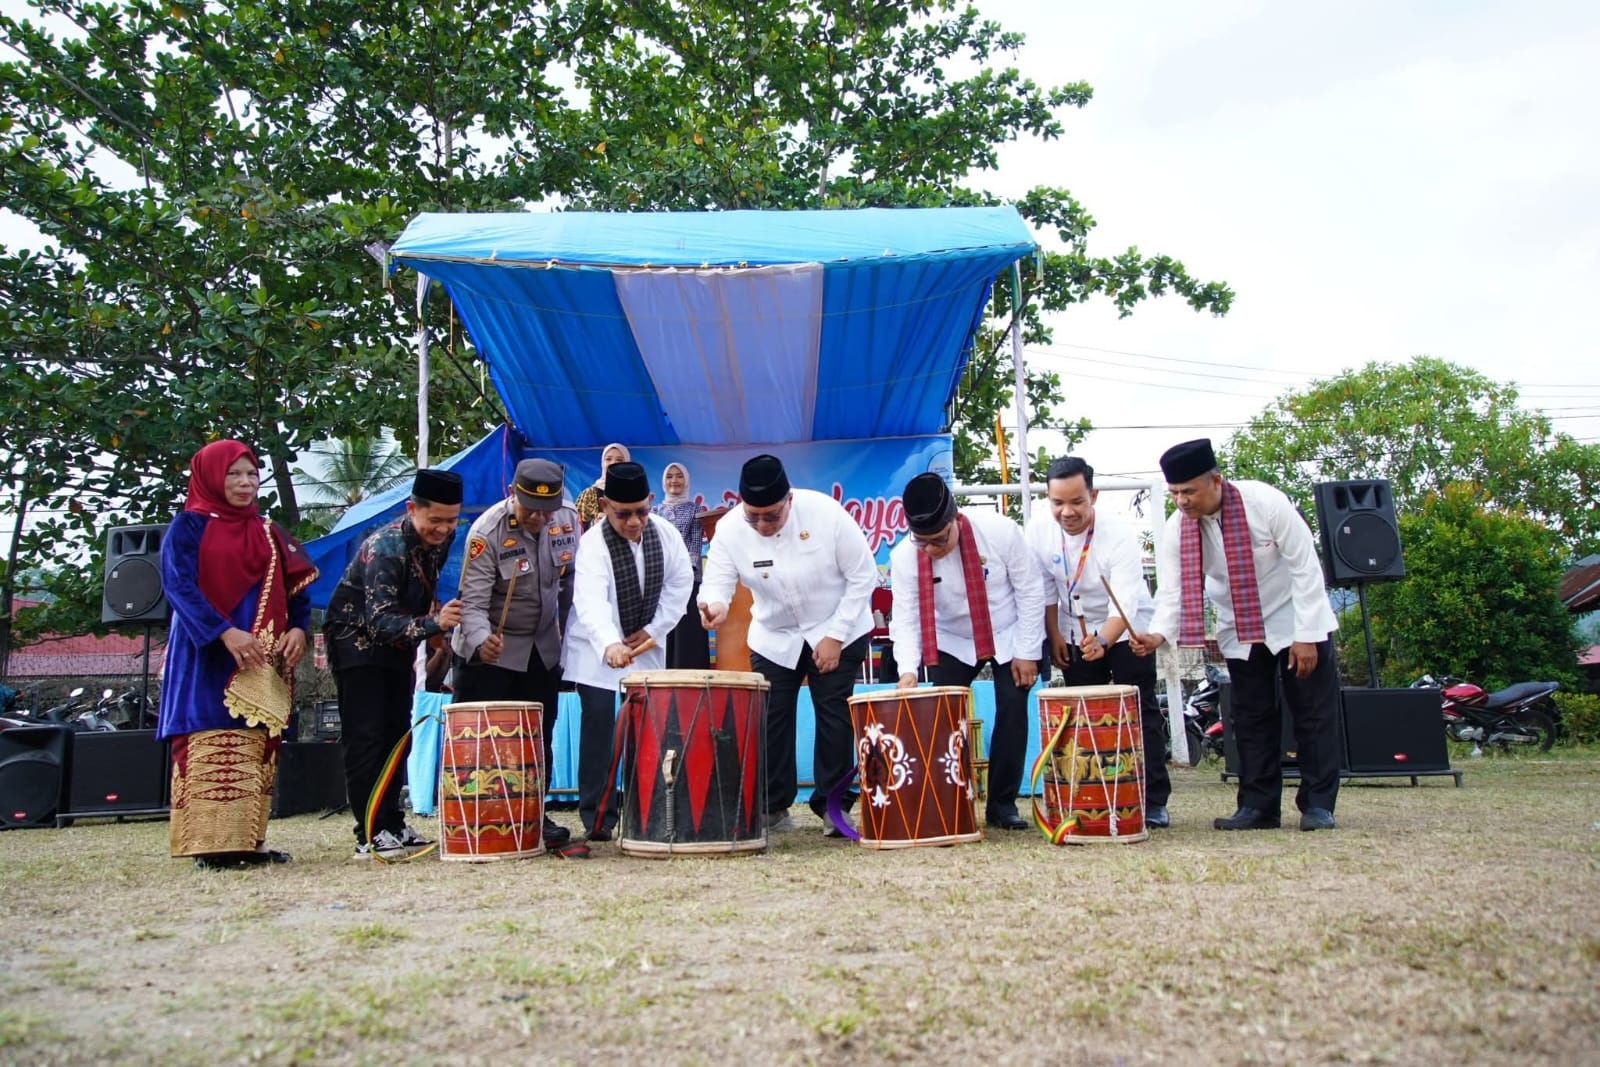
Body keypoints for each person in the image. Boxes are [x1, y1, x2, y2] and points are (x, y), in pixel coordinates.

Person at [1130, 439, 1342, 831]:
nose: (1182, 501)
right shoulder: (1179, 528)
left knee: (1312, 713)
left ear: (1216, 481)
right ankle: (1258, 807)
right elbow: (1172, 589)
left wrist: (1307, 635)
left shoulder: (1266, 502)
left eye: (1189, 491)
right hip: (1241, 627)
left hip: (1295, 617)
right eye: (1175, 492)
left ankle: (1317, 805)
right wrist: (1157, 634)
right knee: (1249, 717)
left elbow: (1305, 567)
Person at [698, 454, 878, 836]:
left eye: (771, 516)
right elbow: (718, 581)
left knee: (834, 714)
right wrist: (713, 604)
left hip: (836, 624)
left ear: (789, 501)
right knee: (771, 718)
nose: (762, 525)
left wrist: (836, 635)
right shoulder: (730, 529)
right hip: (774, 633)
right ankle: (772, 806)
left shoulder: (826, 514)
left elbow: (864, 577)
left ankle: (834, 807)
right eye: (753, 517)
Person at [157, 439, 317, 869]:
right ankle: (208, 846)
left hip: (261, 660)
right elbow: (179, 588)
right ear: (211, 476)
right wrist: (224, 632)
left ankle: (249, 842)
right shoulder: (187, 527)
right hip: (205, 658)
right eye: (234, 474)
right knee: (208, 740)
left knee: (256, 745)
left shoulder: (268, 531)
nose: (246, 483)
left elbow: (298, 588)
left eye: (251, 474)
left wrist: (300, 629)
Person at [889, 473, 1044, 830]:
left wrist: (1027, 651)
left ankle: (1002, 805)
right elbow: (907, 618)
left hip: (1006, 630)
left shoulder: (1001, 531)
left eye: (939, 539)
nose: (931, 549)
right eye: (922, 542)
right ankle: (951, 800)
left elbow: (1031, 590)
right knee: (943, 715)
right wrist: (908, 671)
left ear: (956, 519)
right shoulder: (904, 558)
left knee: (1012, 705)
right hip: (951, 639)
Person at [324, 468, 464, 859]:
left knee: (397, 733)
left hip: (399, 645)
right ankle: (368, 832)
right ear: (410, 508)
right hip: (356, 641)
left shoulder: (444, 537)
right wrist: (435, 623)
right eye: (434, 519)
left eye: (451, 520)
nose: (443, 528)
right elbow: (380, 620)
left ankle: (393, 825)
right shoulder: (385, 547)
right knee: (366, 736)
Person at [1024, 456, 1170, 829]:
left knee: (1140, 712)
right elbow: (1043, 589)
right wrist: (1055, 635)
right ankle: (1091, 795)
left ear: (1094, 495)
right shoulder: (1038, 530)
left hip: (1124, 626)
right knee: (1081, 717)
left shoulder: (1118, 534)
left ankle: (1152, 799)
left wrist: (1104, 641)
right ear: (1048, 498)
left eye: (1077, 502)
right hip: (1074, 629)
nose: (1067, 511)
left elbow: (1125, 599)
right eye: (1058, 503)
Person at [452, 458, 582, 846]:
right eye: (531, 510)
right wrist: (481, 638)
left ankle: (532, 816)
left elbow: (573, 581)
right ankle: (477, 817)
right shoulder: (487, 532)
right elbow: (471, 603)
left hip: (542, 649)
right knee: (485, 741)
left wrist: (573, 638)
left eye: (547, 511)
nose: (540, 519)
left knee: (537, 737)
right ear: (512, 494)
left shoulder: (567, 520)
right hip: (494, 651)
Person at [563, 461, 694, 841]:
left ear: (651, 501)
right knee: (600, 723)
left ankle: (648, 811)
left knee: (647, 729)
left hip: (646, 646)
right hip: (596, 650)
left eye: (641, 511)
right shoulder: (592, 544)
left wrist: (653, 631)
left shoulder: (666, 534)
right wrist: (610, 644)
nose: (634, 521)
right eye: (624, 514)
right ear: (603, 506)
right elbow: (590, 602)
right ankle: (598, 817)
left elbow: (679, 585)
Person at [652, 461, 716, 670]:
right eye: (670, 476)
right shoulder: (654, 512)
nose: (674, 480)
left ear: (686, 480)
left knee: (687, 635)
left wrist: (680, 573)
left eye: (679, 476)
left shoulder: (694, 510)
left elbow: (695, 545)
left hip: (687, 581)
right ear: (663, 481)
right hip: (660, 582)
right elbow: (652, 545)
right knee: (664, 630)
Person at [574, 442, 630, 529]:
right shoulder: (589, 494)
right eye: (608, 459)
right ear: (602, 463)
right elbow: (576, 527)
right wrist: (594, 524)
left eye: (619, 460)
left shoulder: (634, 493)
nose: (613, 463)